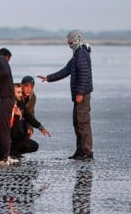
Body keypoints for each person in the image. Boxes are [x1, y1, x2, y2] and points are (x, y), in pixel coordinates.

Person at [39, 30, 93, 160]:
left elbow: (84, 75)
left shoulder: (81, 53)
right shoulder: (77, 54)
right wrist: (49, 78)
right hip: (78, 95)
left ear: (75, 39)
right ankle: (80, 151)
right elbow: (66, 70)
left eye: (68, 39)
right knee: (77, 123)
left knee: (82, 123)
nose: (67, 42)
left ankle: (86, 152)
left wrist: (80, 93)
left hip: (82, 95)